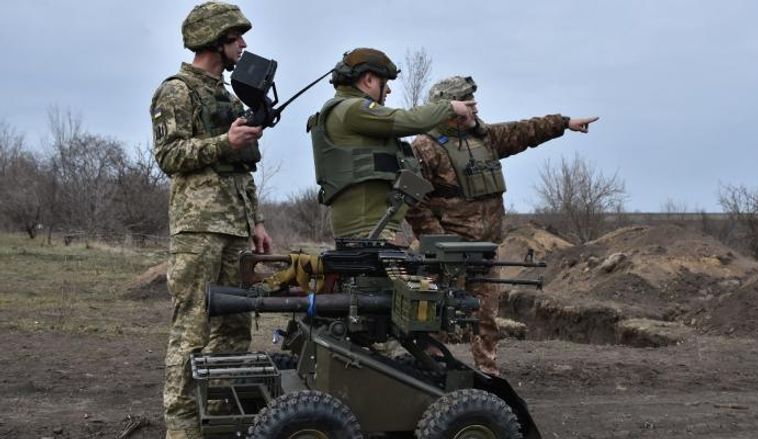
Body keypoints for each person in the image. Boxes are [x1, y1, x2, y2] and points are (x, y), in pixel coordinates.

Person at [405, 75, 598, 375]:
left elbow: (525, 131)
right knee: (433, 314)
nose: (476, 108)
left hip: (484, 250)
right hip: (444, 254)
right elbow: (414, 203)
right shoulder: (424, 147)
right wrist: (438, 241)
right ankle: (429, 372)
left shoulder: (484, 138)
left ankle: (488, 374)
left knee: (485, 317)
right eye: (469, 104)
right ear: (451, 108)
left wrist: (565, 123)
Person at [149, 2, 272, 438]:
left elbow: (243, 168)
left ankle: (219, 419)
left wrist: (255, 221)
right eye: (236, 36)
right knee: (192, 329)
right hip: (199, 228)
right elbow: (169, 156)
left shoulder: (229, 96)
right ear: (215, 41)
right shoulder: (176, 91)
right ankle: (182, 429)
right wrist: (225, 141)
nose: (243, 44)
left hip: (236, 228)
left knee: (236, 328)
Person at [308, 48, 476, 241]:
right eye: (384, 83)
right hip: (367, 229)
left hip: (372, 226)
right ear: (368, 80)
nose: (388, 90)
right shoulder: (352, 109)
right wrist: (450, 107)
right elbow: (408, 120)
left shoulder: (346, 110)